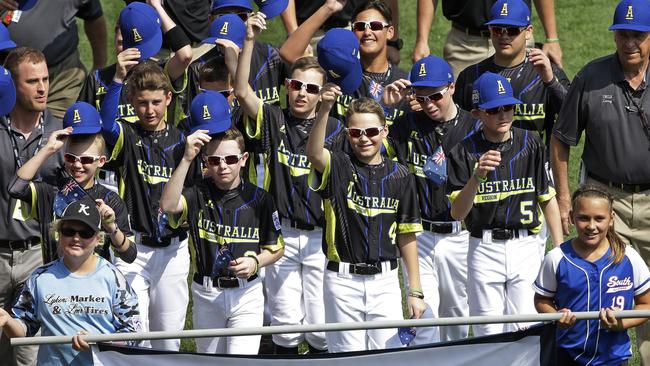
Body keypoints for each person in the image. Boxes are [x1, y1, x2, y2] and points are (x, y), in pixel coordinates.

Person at [234, 13, 345, 355]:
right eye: (296, 85)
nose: (302, 93)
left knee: (320, 326)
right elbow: (241, 90)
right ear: (287, 86)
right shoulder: (274, 118)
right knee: (284, 324)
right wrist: (249, 40)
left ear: (321, 93)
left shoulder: (337, 129)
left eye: (311, 89)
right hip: (281, 236)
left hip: (319, 238)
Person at [551, 0, 650, 362]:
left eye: (638, 35)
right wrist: (564, 198)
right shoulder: (592, 77)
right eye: (623, 35)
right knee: (606, 294)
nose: (630, 43)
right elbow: (562, 138)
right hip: (606, 203)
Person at [160, 93, 285, 354]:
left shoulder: (260, 199)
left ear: (244, 159)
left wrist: (255, 262)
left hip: (246, 293)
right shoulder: (197, 192)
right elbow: (169, 206)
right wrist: (186, 159)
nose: (223, 167)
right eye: (214, 161)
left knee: (241, 361)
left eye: (230, 160)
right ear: (206, 162)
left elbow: (277, 248)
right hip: (207, 294)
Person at [307, 92, 425, 352]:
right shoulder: (338, 164)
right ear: (348, 134)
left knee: (388, 356)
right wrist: (325, 109)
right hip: (342, 280)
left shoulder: (401, 175)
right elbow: (314, 153)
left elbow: (407, 236)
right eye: (355, 132)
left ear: (384, 132)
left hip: (385, 282)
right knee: (348, 358)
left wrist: (414, 291)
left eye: (371, 131)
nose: (364, 138)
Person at [447, 72, 563, 336]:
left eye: (508, 107)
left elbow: (547, 197)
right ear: (477, 114)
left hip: (526, 247)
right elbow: (457, 213)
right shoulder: (462, 152)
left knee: (528, 328)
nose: (503, 115)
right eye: (494, 110)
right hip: (483, 247)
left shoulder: (531, 143)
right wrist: (476, 177)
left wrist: (558, 250)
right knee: (488, 332)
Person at [99, 53, 200, 351]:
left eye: (156, 102)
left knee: (168, 342)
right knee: (134, 336)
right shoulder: (127, 135)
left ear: (169, 98)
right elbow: (106, 124)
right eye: (142, 103)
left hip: (174, 251)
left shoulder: (183, 140)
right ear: (131, 101)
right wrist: (118, 79)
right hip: (134, 249)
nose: (150, 110)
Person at [383, 55, 477, 343]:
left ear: (451, 87)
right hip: (419, 235)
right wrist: (386, 108)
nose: (429, 104)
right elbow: (366, 148)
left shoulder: (474, 127)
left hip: (458, 238)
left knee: (457, 319)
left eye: (435, 96)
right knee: (422, 317)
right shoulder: (403, 125)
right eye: (421, 98)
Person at [0, 199, 140, 366]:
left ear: (98, 239)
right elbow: (22, 330)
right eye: (69, 231)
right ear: (59, 234)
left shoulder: (113, 277)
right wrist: (7, 320)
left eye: (85, 233)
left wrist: (100, 344)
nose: (76, 238)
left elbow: (134, 334)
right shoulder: (40, 277)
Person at [534, 185, 650, 366]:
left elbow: (646, 304)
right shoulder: (557, 258)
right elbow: (541, 300)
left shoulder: (629, 258)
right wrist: (556, 316)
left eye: (599, 218)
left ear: (611, 219)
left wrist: (621, 323)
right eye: (583, 218)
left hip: (613, 358)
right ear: (571, 217)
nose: (591, 226)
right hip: (566, 355)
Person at [8, 102, 136, 264]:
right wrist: (47, 150)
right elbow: (15, 188)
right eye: (70, 158)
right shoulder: (52, 189)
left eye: (87, 160)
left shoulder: (110, 200)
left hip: (93, 284)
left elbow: (130, 256)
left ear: (102, 161)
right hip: (56, 281)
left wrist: (111, 227)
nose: (77, 165)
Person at [0, 48, 63, 366]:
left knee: (30, 353)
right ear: (12, 84)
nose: (42, 88)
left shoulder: (60, 130)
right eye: (32, 81)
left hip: (37, 254)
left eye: (46, 79)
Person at [454, 0, 569, 144]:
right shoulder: (470, 77)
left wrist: (550, 81)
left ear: (528, 32)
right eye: (497, 29)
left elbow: (573, 115)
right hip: (484, 162)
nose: (504, 36)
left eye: (512, 30)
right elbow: (455, 127)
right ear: (489, 30)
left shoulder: (546, 71)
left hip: (533, 162)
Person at [280, 0, 409, 125]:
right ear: (352, 32)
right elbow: (289, 53)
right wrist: (328, 8)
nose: (367, 32)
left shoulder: (403, 83)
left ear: (390, 32)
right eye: (360, 26)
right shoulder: (337, 69)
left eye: (375, 26)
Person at [77, 0, 192, 125]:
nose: (130, 51)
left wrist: (156, 7)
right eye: (122, 43)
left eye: (135, 45)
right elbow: (81, 123)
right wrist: (118, 78)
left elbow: (185, 55)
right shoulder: (97, 79)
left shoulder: (161, 73)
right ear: (114, 39)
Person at [1, 0, 107, 119]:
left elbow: (93, 15)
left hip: (62, 77)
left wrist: (99, 65)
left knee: (62, 130)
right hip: (6, 79)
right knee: (9, 131)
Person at [412, 0, 563, 78]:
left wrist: (552, 38)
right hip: (465, 45)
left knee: (521, 110)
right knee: (462, 115)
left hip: (515, 37)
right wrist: (422, 40)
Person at [279, 0, 401, 64]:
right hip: (308, 32)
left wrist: (391, 42)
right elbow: (289, 53)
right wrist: (294, 33)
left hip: (356, 30)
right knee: (309, 92)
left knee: (359, 93)